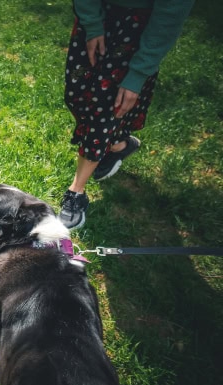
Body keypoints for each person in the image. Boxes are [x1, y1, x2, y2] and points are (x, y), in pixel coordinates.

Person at [58, 0, 195, 229]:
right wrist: (92, 25)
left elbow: (171, 13)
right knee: (76, 94)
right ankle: (118, 144)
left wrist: (138, 74)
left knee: (105, 110)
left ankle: (76, 192)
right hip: (96, 12)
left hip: (137, 26)